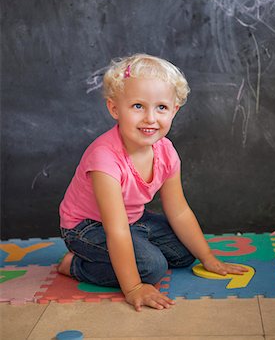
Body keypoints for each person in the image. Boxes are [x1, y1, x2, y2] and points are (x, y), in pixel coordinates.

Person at [58, 53, 246, 311]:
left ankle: (136, 253)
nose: (150, 118)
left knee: (185, 254)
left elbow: (178, 210)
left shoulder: (166, 151)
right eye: (138, 106)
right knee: (151, 268)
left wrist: (209, 258)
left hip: (133, 220)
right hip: (87, 228)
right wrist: (134, 287)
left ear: (174, 111)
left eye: (161, 107)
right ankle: (75, 265)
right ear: (115, 108)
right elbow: (116, 229)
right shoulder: (104, 159)